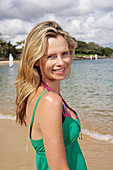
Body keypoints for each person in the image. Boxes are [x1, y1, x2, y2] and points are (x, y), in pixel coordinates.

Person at [15, 21, 87, 170]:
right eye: (51, 56)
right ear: (35, 60)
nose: (61, 62)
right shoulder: (50, 101)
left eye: (64, 53)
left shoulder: (37, 93)